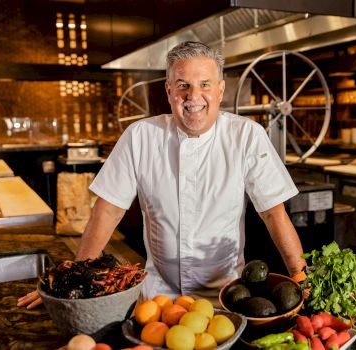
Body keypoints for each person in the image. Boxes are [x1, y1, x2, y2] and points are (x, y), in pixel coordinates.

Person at [18, 41, 306, 309]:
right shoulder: (140, 136)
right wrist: (73, 285)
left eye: (204, 84)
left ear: (220, 90)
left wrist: (301, 277)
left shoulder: (247, 136)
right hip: (157, 299)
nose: (194, 96)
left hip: (227, 297)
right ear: (169, 91)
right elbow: (107, 212)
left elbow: (273, 213)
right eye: (183, 85)